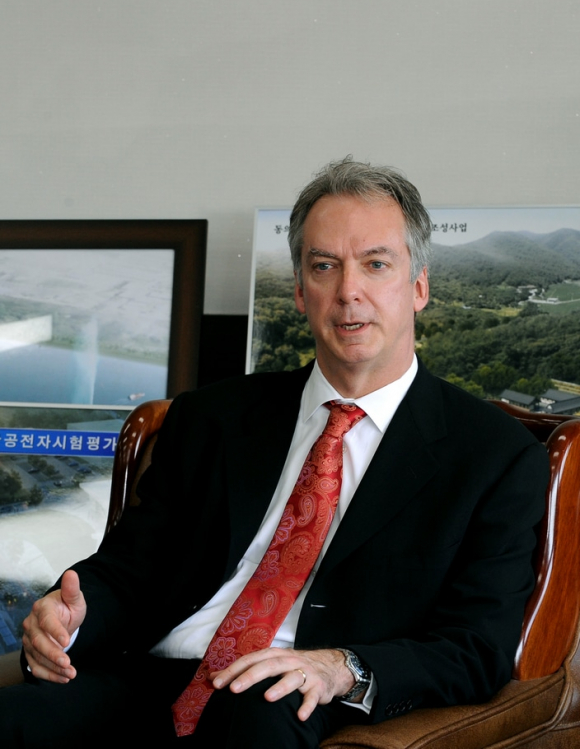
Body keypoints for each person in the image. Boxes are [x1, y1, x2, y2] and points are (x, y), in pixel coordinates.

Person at [1, 157, 549, 748]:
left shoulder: (495, 456)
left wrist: (342, 667)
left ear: (418, 286)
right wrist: (70, 616)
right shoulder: (210, 417)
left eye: (376, 264)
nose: (349, 292)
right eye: (324, 266)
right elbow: (130, 571)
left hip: (300, 694)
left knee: (259, 718)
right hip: (150, 678)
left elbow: (476, 647)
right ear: (299, 290)